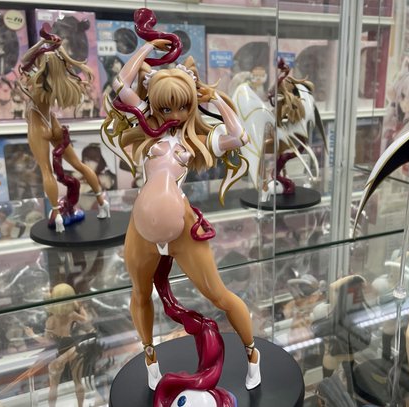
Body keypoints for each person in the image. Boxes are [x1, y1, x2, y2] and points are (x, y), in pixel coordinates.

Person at [102, 32, 260, 391]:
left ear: (191, 105)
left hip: (182, 225)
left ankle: (252, 354)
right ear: (155, 105)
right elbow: (120, 85)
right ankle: (150, 358)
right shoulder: (146, 125)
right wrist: (147, 48)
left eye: (182, 107)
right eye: (166, 108)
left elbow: (239, 137)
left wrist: (214, 98)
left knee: (218, 295)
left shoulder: (196, 140)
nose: (174, 116)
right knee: (140, 293)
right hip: (142, 226)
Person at [17, 25, 109, 232]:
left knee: (46, 170)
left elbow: (25, 58)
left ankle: (57, 215)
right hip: (53, 123)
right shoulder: (57, 80)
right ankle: (102, 202)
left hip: (38, 123)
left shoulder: (35, 81)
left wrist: (43, 42)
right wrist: (53, 46)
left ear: (41, 64)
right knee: (78, 164)